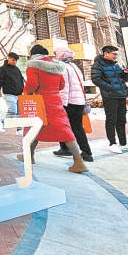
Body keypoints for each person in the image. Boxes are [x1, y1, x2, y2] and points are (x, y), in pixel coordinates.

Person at [19, 44, 88, 173]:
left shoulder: (33, 66)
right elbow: (62, 85)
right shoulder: (56, 66)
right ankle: (78, 161)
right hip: (56, 102)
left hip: (40, 102)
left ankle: (28, 156)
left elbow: (32, 85)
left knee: (33, 129)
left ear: (33, 54)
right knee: (65, 130)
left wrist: (26, 93)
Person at [90, 45, 128, 154]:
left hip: (121, 95)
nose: (116, 56)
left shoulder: (115, 65)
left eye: (116, 54)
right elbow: (96, 79)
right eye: (114, 54)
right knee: (111, 120)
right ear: (106, 53)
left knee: (121, 120)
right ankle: (112, 143)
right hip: (110, 96)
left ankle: (123, 143)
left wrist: (125, 73)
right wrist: (110, 88)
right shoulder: (98, 65)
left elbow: (122, 79)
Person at [52, 47, 93, 162]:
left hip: (69, 102)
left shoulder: (62, 67)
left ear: (61, 55)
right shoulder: (74, 66)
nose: (55, 56)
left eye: (56, 54)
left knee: (64, 126)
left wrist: (61, 103)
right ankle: (84, 151)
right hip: (78, 101)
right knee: (77, 127)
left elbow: (64, 87)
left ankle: (71, 150)